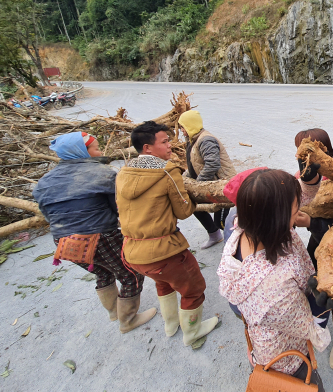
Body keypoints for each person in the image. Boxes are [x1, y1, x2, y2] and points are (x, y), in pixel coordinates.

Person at [217, 169, 330, 391]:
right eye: (296, 210)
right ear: (278, 218)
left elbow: (297, 198)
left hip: (264, 329)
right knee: (305, 383)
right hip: (285, 358)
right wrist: (320, 308)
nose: (299, 213)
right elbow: (307, 329)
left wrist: (309, 180)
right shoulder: (272, 290)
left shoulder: (248, 222)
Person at [33, 132, 156, 334]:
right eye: (96, 148)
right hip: (99, 237)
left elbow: (47, 214)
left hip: (63, 241)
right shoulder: (102, 174)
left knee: (102, 270)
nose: (101, 151)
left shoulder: (44, 182)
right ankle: (128, 320)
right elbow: (119, 208)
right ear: (81, 152)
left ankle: (113, 311)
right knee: (130, 273)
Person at [116, 121, 219, 347]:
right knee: (193, 287)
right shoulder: (166, 172)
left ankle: (171, 324)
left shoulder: (124, 172)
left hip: (133, 253)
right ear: (147, 148)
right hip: (164, 251)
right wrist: (192, 197)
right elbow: (183, 211)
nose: (170, 146)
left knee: (163, 282)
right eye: (164, 142)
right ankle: (192, 332)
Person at [294, 129, 333, 370]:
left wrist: (311, 222)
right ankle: (314, 326)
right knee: (314, 286)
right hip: (316, 242)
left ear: (324, 149)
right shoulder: (304, 175)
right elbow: (302, 200)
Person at [178, 110, 237, 249]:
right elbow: (194, 164)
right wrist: (185, 178)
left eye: (182, 127)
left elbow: (212, 164)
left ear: (190, 125)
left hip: (222, 186)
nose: (181, 130)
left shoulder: (206, 140)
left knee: (222, 222)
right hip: (208, 183)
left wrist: (198, 184)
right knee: (193, 205)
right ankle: (214, 235)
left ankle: (237, 246)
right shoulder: (193, 140)